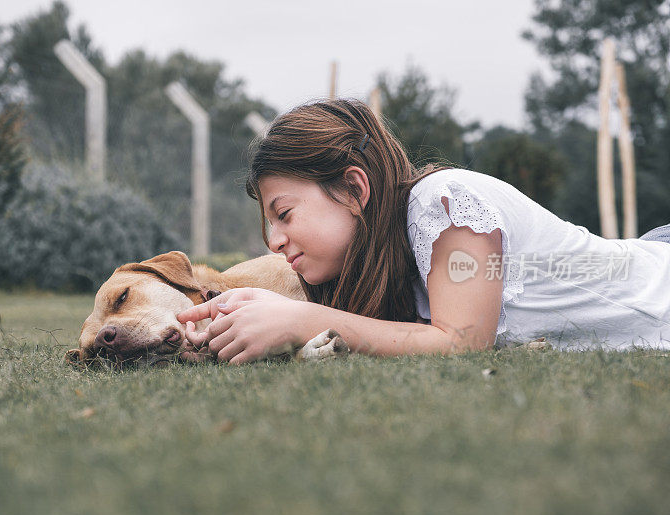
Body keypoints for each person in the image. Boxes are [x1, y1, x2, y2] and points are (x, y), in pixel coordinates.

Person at [176, 99, 670, 364]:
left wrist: (301, 320)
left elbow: (460, 342)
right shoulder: (379, 264)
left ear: (353, 188)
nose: (274, 240)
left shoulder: (445, 202)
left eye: (284, 214)